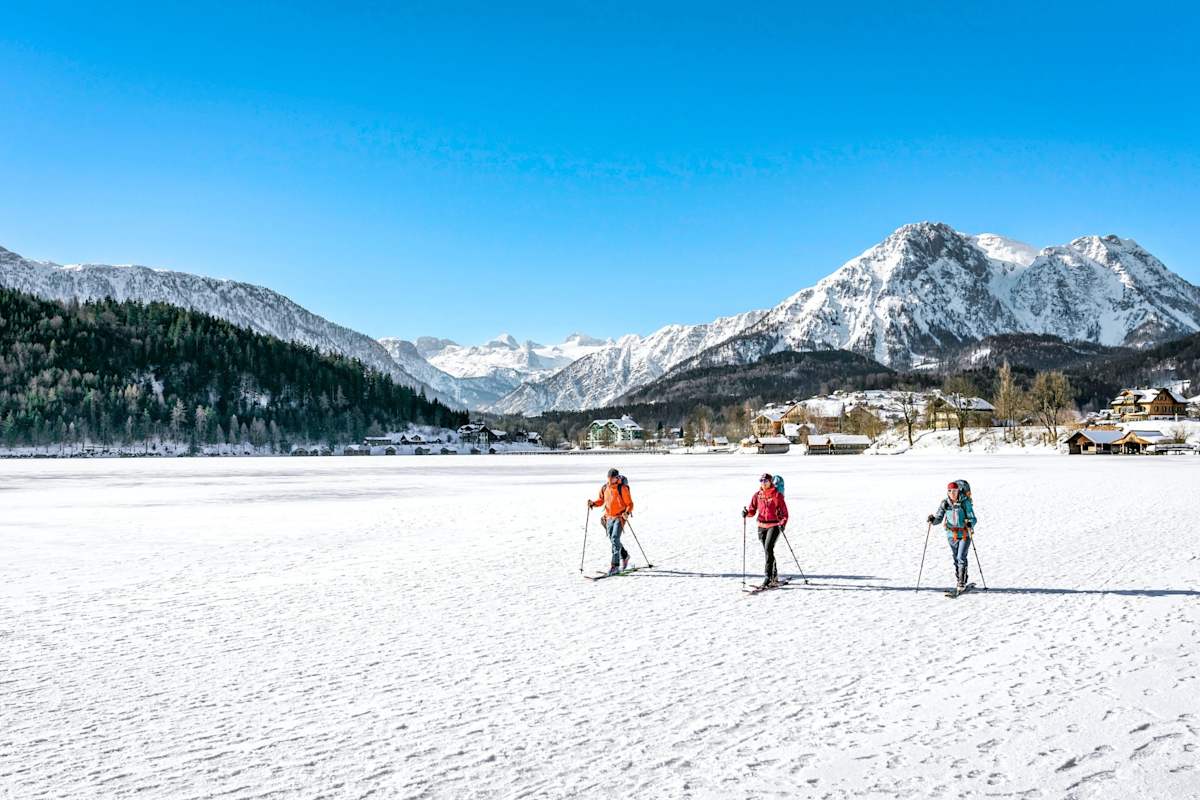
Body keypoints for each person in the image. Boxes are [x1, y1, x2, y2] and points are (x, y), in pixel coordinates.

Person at [927, 480, 977, 592]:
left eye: (954, 491)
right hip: (951, 535)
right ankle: (961, 578)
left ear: (958, 491)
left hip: (964, 534)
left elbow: (973, 518)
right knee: (956, 557)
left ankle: (961, 583)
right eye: (949, 491)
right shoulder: (945, 503)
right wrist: (933, 520)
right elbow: (939, 518)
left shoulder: (965, 503)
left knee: (961, 557)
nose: (952, 493)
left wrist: (970, 523)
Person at [743, 472, 789, 589]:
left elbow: (785, 513)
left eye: (766, 481)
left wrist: (783, 524)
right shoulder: (757, 495)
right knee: (768, 551)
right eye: (761, 481)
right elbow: (752, 510)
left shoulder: (777, 495)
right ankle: (774, 576)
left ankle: (768, 577)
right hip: (761, 526)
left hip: (774, 525)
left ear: (770, 482)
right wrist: (746, 513)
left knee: (768, 548)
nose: (763, 483)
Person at [588, 468, 634, 575]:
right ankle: (625, 555)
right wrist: (593, 503)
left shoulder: (622, 488)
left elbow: (630, 504)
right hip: (608, 517)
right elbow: (601, 500)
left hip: (620, 517)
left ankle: (615, 566)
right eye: (609, 478)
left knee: (615, 538)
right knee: (614, 540)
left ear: (617, 477)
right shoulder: (605, 488)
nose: (611, 480)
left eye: (613, 478)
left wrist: (627, 513)